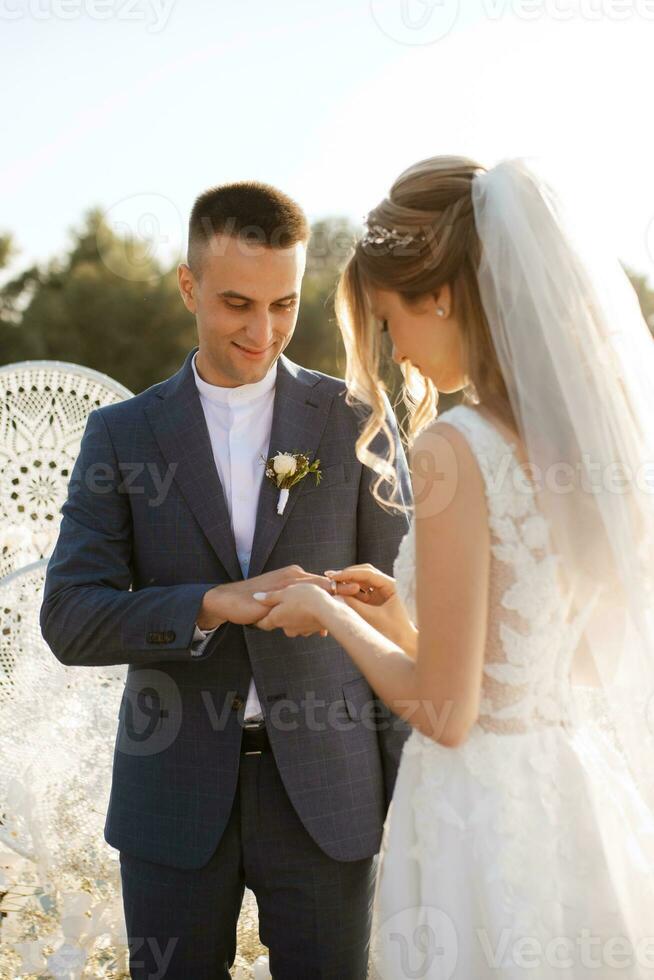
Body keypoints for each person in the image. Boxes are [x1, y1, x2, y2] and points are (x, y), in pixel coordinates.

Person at [252, 156, 654, 978]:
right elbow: (538, 658)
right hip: (569, 791)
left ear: (440, 296)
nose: (396, 350)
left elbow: (446, 713)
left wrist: (329, 615)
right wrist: (395, 614)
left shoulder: (453, 449)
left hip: (480, 815)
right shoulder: (576, 447)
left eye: (391, 319)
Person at [39, 180, 413, 979]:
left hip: (329, 799)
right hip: (170, 798)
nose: (264, 330)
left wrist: (409, 794)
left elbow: (407, 611)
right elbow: (69, 617)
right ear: (187, 286)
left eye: (283, 304)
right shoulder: (121, 434)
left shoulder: (355, 420)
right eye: (237, 303)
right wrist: (210, 604)